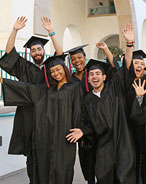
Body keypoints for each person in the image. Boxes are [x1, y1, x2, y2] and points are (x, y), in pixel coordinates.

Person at [0, 55, 83, 184]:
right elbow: (26, 88)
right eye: (52, 71)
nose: (56, 73)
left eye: (58, 69)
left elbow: (79, 112)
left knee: (63, 170)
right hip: (45, 138)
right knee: (43, 170)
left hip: (64, 139)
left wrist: (80, 130)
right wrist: (3, 81)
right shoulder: (46, 90)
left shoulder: (75, 88)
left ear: (64, 68)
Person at [0, 16, 63, 183]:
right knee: (31, 152)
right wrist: (15, 30)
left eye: (39, 49)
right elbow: (8, 52)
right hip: (28, 115)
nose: (36, 52)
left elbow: (61, 53)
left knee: (47, 151)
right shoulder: (24, 66)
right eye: (33, 50)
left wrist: (51, 32)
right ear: (30, 52)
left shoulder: (50, 67)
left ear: (43, 51)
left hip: (47, 114)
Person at [65, 42, 116, 184]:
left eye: (79, 57)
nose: (77, 61)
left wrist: (106, 49)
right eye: (73, 59)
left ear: (85, 57)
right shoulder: (70, 80)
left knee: (105, 162)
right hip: (85, 126)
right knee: (88, 163)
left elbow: (114, 70)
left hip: (102, 125)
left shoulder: (94, 74)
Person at [81, 59, 136, 184]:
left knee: (125, 179)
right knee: (104, 178)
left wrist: (129, 45)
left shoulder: (115, 89)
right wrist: (83, 131)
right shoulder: (88, 100)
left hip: (123, 143)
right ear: (88, 79)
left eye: (97, 73)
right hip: (104, 148)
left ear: (104, 77)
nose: (94, 76)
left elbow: (125, 69)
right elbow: (88, 123)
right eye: (91, 74)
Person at [122, 23, 146, 183]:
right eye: (136, 63)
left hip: (144, 125)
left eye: (142, 64)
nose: (138, 65)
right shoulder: (126, 80)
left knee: (143, 156)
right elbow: (126, 61)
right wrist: (129, 44)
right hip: (128, 125)